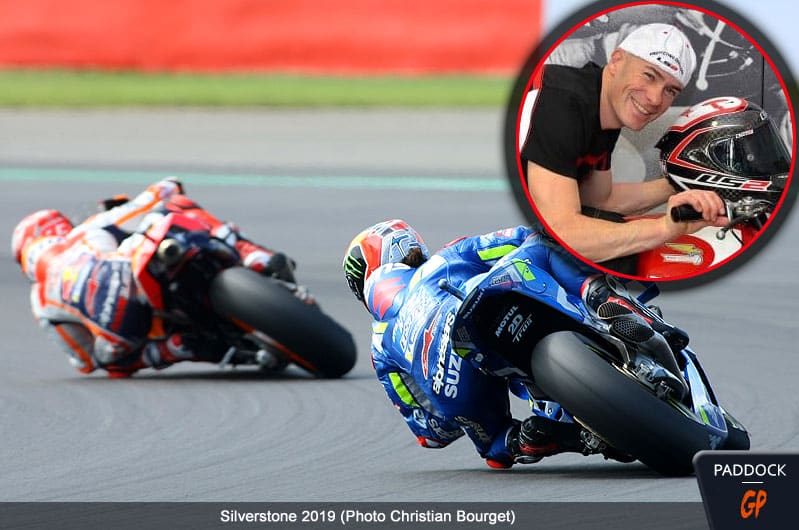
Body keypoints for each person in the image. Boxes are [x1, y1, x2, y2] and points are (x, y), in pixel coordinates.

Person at [343, 220, 669, 468]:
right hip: (483, 297)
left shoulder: (380, 346)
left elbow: (429, 433)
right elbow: (523, 237)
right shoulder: (447, 257)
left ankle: (542, 439)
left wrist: (447, 410)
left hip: (454, 383)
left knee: (495, 450)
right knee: (546, 246)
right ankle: (603, 299)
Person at [11, 178, 297, 378]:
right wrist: (167, 185)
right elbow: (151, 201)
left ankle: (181, 349)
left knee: (114, 361)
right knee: (178, 207)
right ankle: (253, 255)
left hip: (122, 331)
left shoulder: (40, 302)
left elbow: (85, 362)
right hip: (129, 277)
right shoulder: (84, 231)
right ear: (58, 227)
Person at [520, 22, 728, 268]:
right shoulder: (562, 102)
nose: (655, 99)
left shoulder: (602, 108)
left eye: (670, 90)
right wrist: (664, 228)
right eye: (649, 75)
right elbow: (564, 234)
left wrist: (688, 180)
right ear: (617, 61)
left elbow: (600, 200)